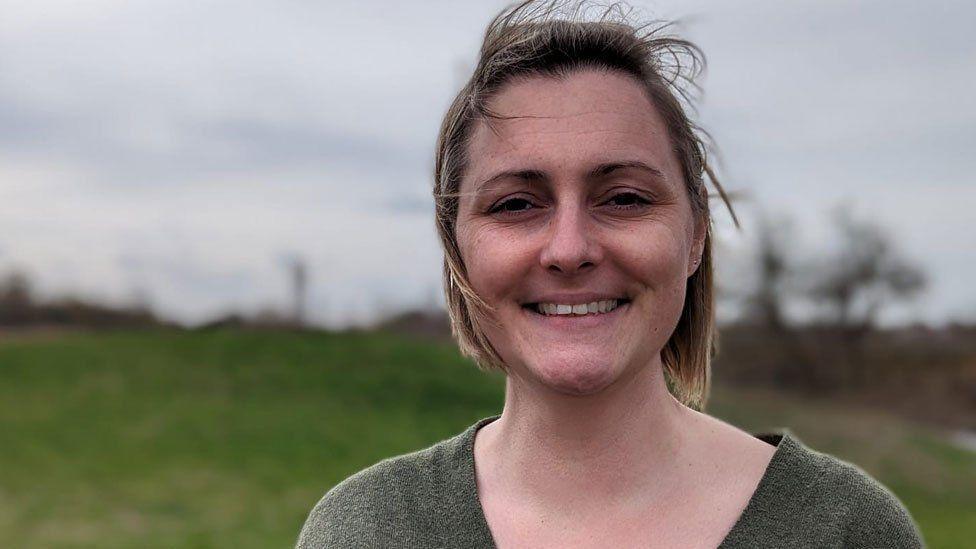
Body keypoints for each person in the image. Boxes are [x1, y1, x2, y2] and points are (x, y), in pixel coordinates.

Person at [297, 1, 925, 547]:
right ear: (457, 249)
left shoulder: (847, 529)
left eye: (624, 198)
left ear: (696, 234)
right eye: (517, 204)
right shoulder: (368, 530)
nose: (569, 249)